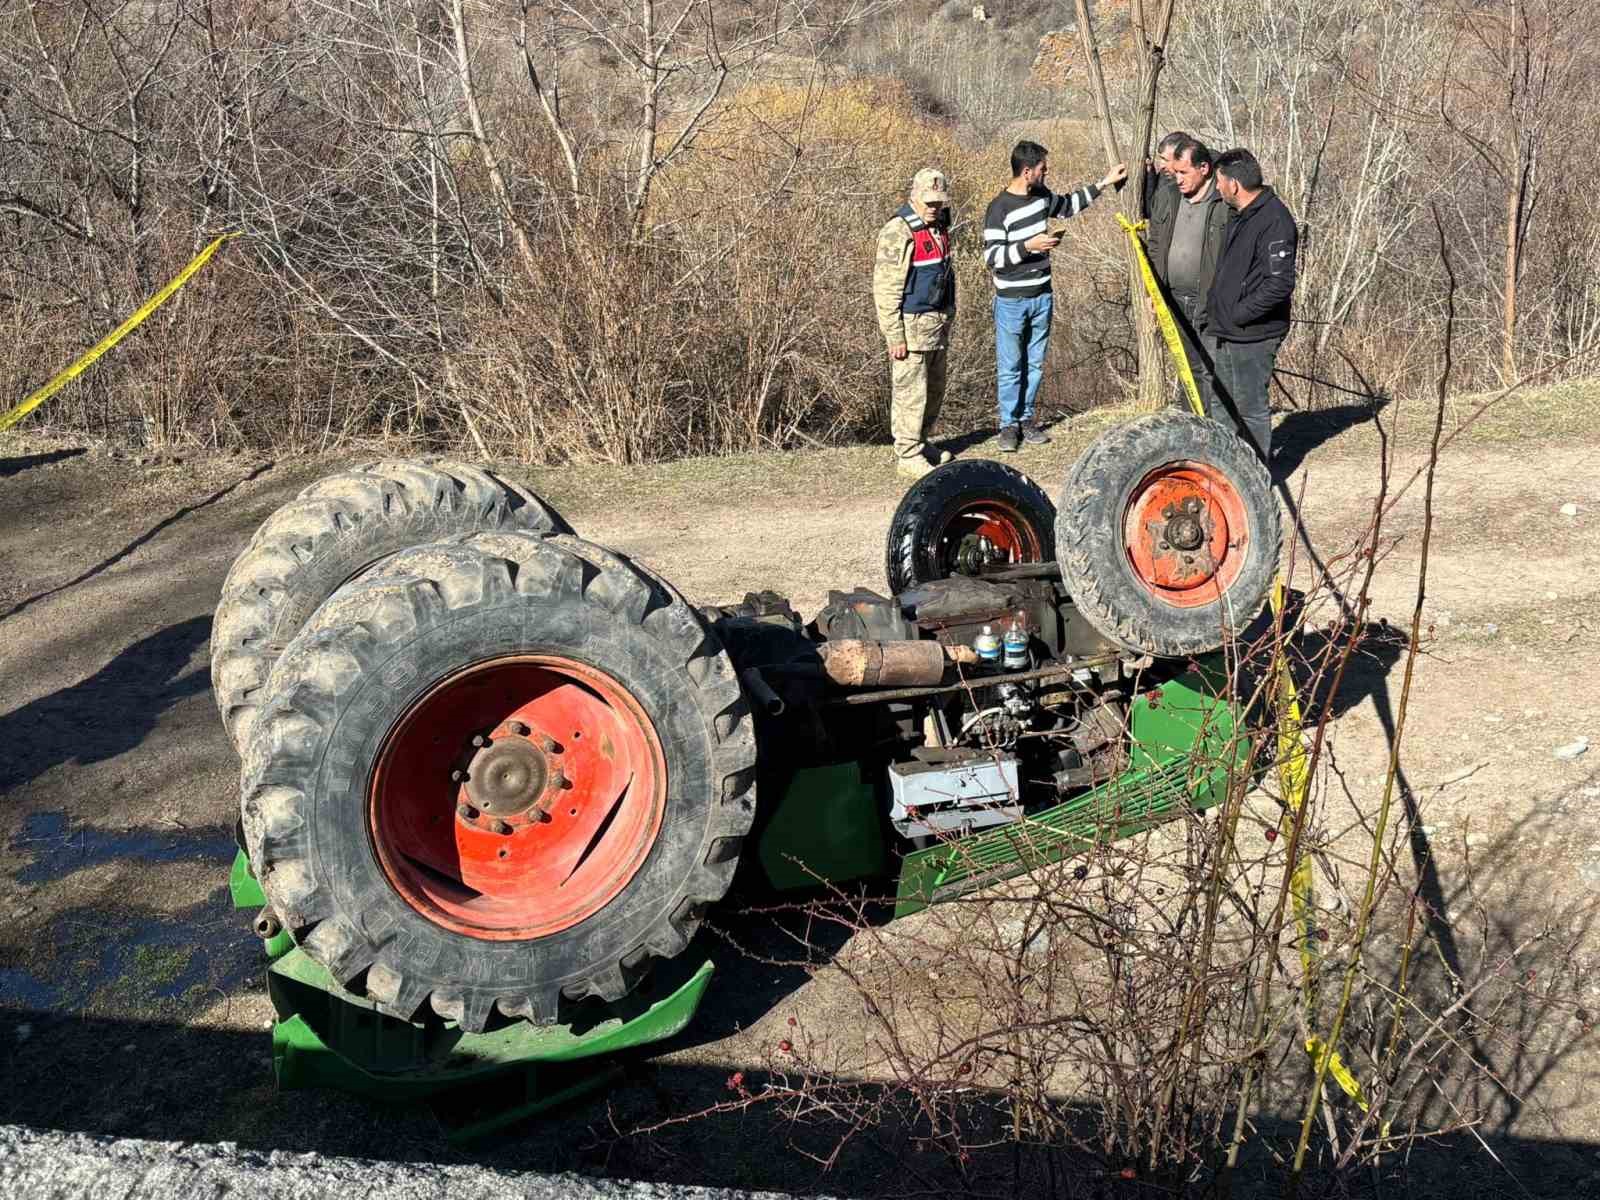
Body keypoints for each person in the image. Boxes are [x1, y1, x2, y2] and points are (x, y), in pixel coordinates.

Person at [983, 142, 1127, 453]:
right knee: (1011, 365)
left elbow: (1069, 205)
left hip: (1042, 295)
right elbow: (993, 257)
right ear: (1026, 171)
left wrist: (1104, 182)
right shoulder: (998, 208)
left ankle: (1025, 419)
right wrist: (1028, 247)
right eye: (1043, 170)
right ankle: (1008, 425)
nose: (1046, 174)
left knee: (1034, 363)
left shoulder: (1042, 197)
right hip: (1011, 300)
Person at [1206, 148, 1298, 462]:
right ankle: (1223, 472)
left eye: (1219, 181)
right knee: (1221, 404)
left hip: (1254, 333)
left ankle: (1255, 477)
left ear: (1233, 185)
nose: (1217, 188)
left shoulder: (1275, 221)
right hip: (1228, 330)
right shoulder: (1240, 214)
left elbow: (1279, 285)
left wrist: (1239, 313)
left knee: (1250, 409)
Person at [873, 167, 957, 477]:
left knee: (934, 390)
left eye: (939, 202)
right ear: (914, 196)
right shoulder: (899, 230)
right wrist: (894, 335)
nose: (935, 208)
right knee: (912, 392)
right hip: (911, 328)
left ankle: (921, 442)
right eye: (929, 202)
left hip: (937, 325)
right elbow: (886, 288)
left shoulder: (938, 226)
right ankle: (907, 453)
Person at [1144, 137, 1230, 416]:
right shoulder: (1168, 193)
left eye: (1183, 172)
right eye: (1174, 171)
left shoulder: (1223, 199)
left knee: (1211, 370)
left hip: (1210, 300)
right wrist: (1152, 292)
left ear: (1204, 168)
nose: (1176, 178)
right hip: (1173, 298)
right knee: (1187, 368)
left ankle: (1217, 432)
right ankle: (1191, 425)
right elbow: (1156, 242)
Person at [1142, 129, 1190, 216]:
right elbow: (1150, 211)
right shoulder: (1165, 175)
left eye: (1166, 160)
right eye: (1161, 158)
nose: (1161, 166)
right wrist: (1150, 176)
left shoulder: (1193, 185)